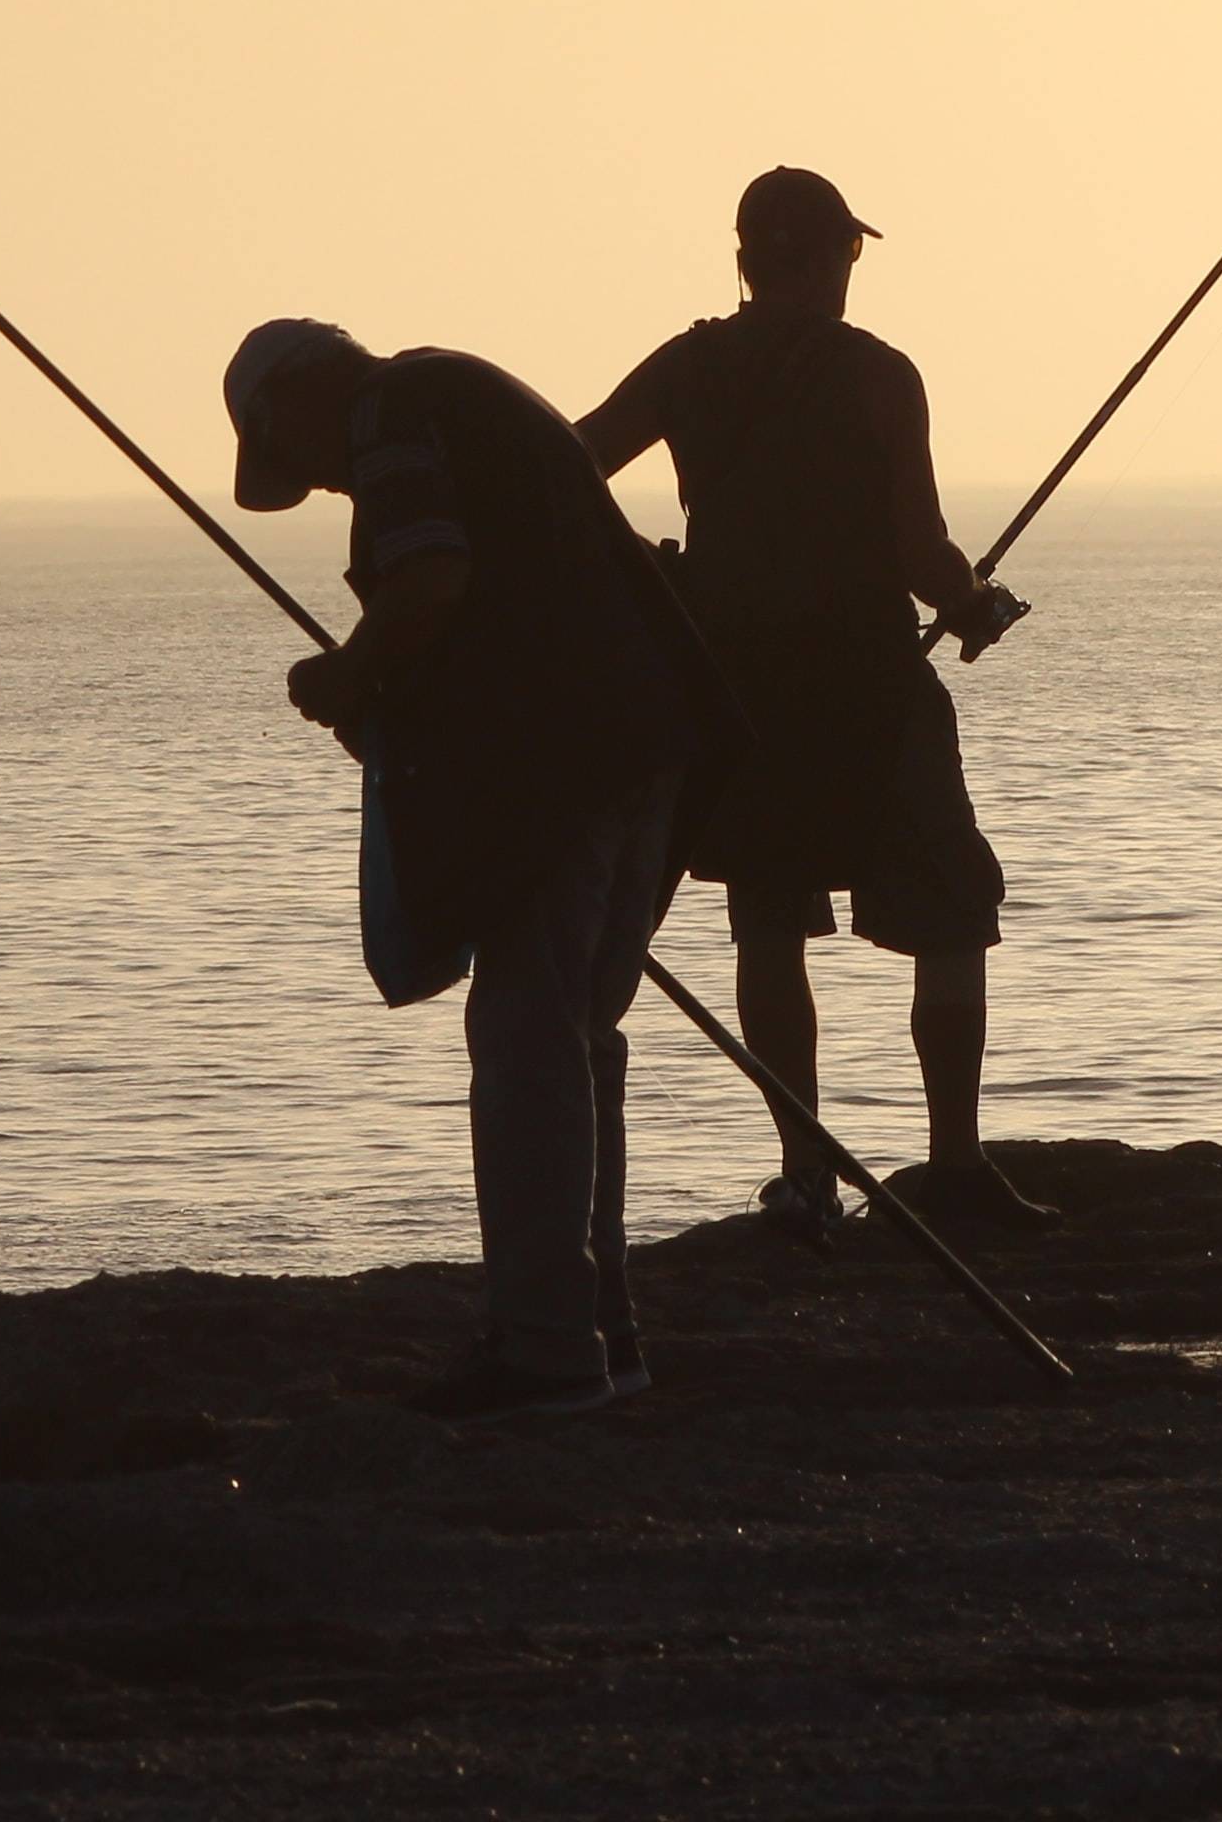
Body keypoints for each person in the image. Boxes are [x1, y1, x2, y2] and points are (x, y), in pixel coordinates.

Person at [228, 315, 716, 1415]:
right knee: (582, 1036)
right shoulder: (465, 398)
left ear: (301, 399)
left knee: (528, 1040)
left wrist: (351, 677)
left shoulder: (390, 414)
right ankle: (605, 1334)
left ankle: (547, 1348)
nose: (319, 483)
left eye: (293, 456)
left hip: (568, 759)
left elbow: (434, 582)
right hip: (651, 739)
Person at [574, 168, 1042, 1238]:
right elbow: (921, 550)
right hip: (868, 679)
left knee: (769, 922)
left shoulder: (687, 367)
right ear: (832, 258)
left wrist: (647, 583)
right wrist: (973, 605)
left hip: (738, 691)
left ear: (745, 261)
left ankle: (806, 1178)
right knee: (951, 912)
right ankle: (955, 1166)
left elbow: (575, 459)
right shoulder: (878, 374)